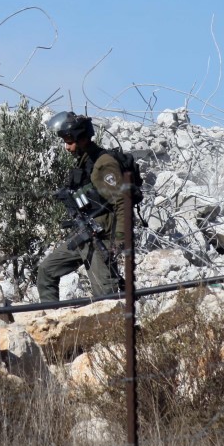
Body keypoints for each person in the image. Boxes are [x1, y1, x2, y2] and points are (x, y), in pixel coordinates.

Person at [36, 111, 132, 303]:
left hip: (101, 239)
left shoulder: (103, 164)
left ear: (82, 138)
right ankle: (51, 325)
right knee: (46, 271)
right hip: (84, 235)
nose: (66, 147)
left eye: (69, 141)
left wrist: (120, 238)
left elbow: (123, 202)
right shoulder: (85, 162)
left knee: (106, 297)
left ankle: (120, 328)